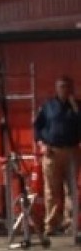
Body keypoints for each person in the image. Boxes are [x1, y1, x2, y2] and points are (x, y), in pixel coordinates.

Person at [32, 75, 81, 240]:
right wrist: (41, 144)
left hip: (72, 150)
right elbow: (37, 126)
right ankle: (51, 224)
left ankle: (71, 223)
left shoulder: (77, 106)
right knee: (52, 190)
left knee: (71, 189)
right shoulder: (48, 106)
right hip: (52, 151)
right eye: (62, 87)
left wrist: (75, 107)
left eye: (68, 87)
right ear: (57, 88)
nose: (65, 90)